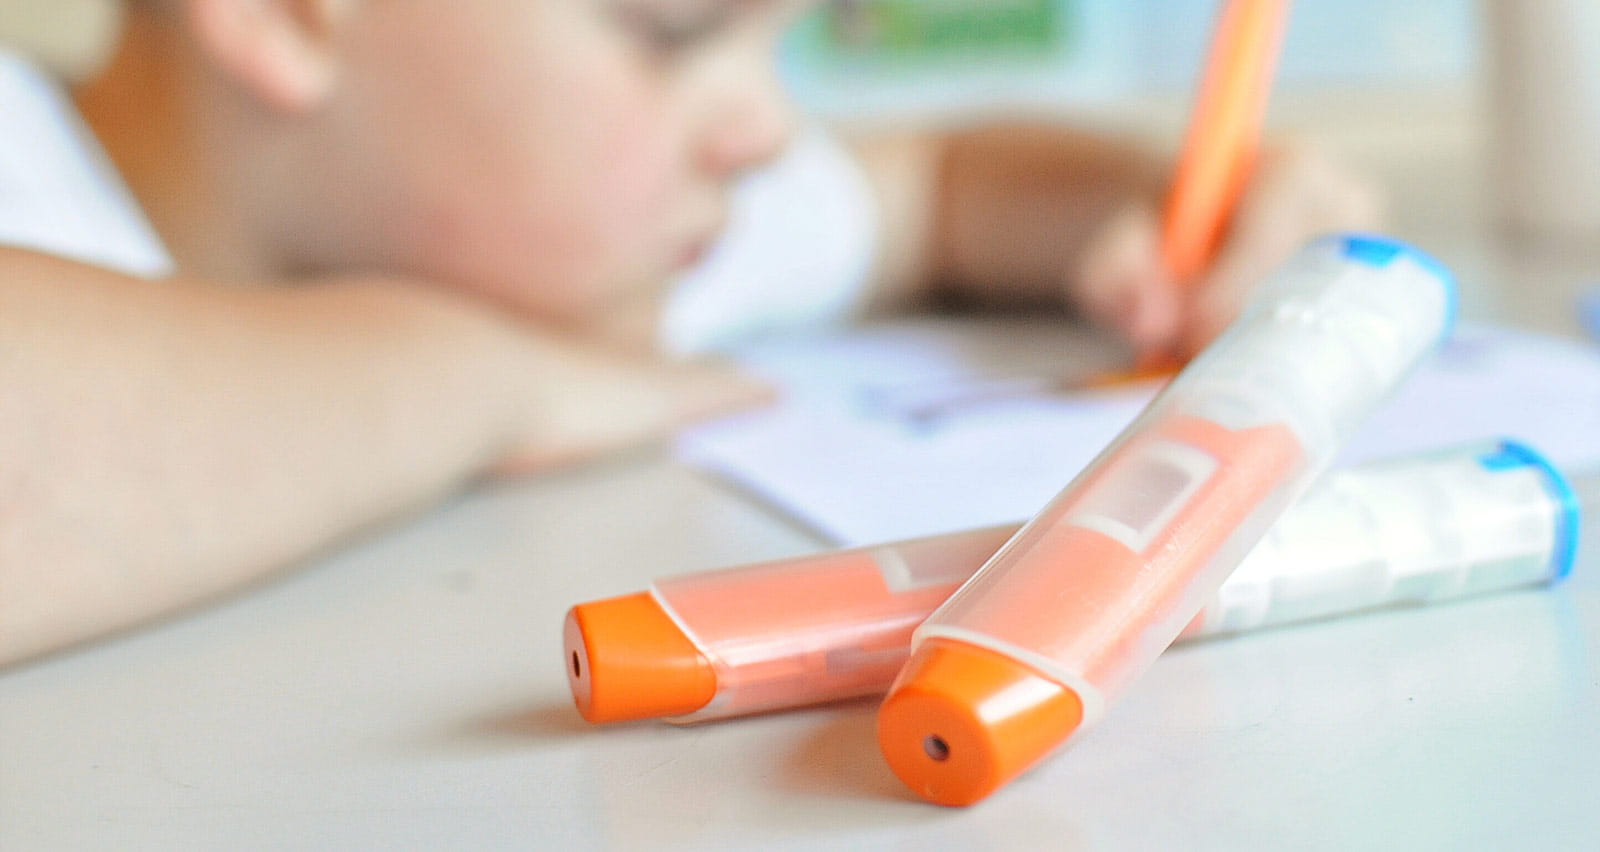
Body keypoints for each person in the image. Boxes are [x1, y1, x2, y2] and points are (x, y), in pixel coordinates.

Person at [0, 0, 1380, 666]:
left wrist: (1164, 205)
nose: (762, 127)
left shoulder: (597, 239)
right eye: (674, 34)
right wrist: (482, 377)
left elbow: (939, 186)